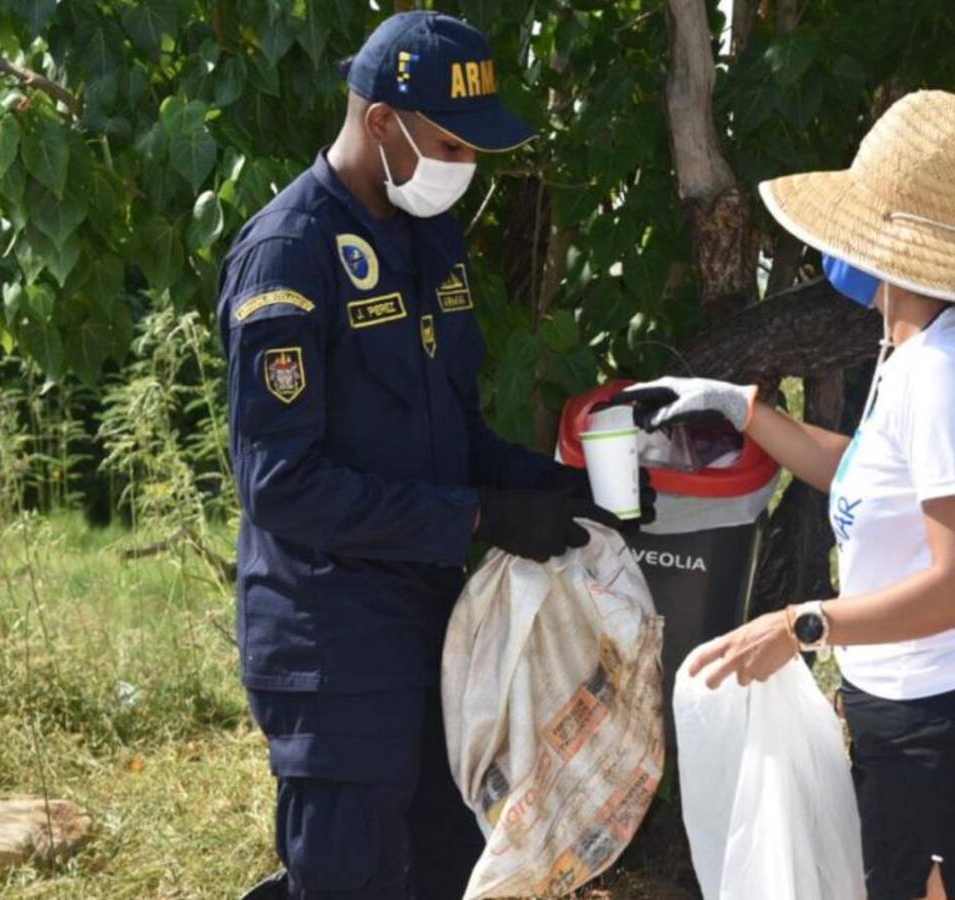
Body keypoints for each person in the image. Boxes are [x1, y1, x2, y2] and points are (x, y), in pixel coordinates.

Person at [218, 13, 654, 900]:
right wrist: (481, 518)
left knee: (449, 867)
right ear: (382, 123)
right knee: (351, 877)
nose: (469, 167)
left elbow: (456, 435)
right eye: (453, 143)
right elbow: (280, 485)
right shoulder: (287, 254)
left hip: (436, 628)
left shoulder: (428, 240)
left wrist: (561, 492)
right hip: (332, 645)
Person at [619, 90, 955, 900]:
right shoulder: (915, 347)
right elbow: (870, 479)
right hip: (917, 729)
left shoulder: (946, 374)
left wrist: (803, 625)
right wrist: (746, 412)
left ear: (901, 248)